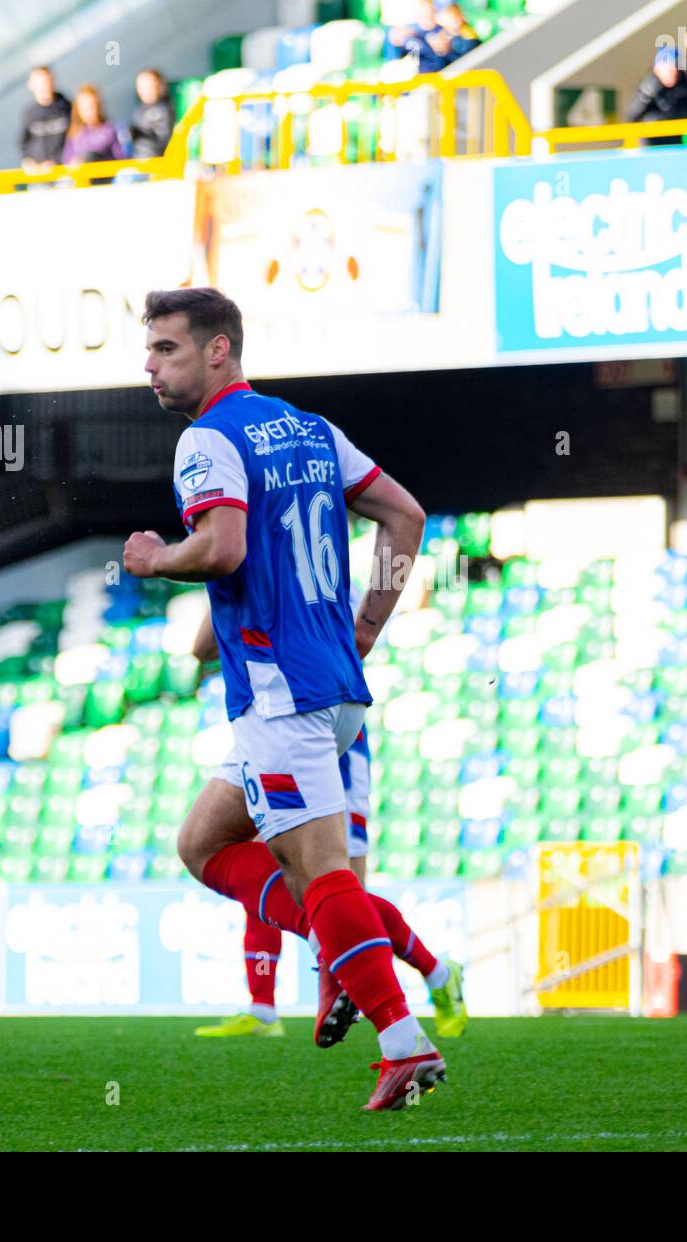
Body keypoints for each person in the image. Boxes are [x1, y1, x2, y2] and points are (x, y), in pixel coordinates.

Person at [124, 287, 445, 1110]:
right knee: (202, 844)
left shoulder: (207, 440)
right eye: (151, 349)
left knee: (323, 873)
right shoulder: (309, 429)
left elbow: (224, 549)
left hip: (279, 690)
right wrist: (369, 623)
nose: (151, 366)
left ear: (219, 349)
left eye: (167, 348)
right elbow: (404, 516)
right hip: (332, 684)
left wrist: (158, 559)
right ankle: (355, 953)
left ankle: (401, 1038)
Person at [190, 594, 468, 1040]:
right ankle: (266, 1005)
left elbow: (204, 646)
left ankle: (432, 978)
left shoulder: (286, 553)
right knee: (266, 863)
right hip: (275, 724)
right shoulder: (279, 548)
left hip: (323, 736)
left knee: (340, 886)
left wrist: (209, 573)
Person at [627, 47, 687, 141]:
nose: (671, 72)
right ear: (657, 69)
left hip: (680, 140)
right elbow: (632, 115)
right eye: (666, 68)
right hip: (654, 142)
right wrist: (645, 96)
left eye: (673, 67)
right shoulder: (649, 88)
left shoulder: (686, 86)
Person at [19, 66, 71, 175]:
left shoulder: (66, 108)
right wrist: (28, 160)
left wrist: (56, 162)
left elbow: (77, 139)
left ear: (53, 81)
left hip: (64, 172)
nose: (45, 86)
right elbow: (24, 142)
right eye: (40, 83)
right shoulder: (30, 113)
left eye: (47, 81)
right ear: (31, 86)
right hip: (39, 175)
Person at [62, 84, 127, 167]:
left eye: (91, 107)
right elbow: (66, 160)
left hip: (104, 176)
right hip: (81, 177)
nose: (88, 112)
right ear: (77, 110)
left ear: (98, 106)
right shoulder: (74, 133)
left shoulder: (109, 129)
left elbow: (120, 158)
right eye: (84, 108)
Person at [129, 68, 176, 160]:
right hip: (140, 159)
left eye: (149, 87)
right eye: (142, 87)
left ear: (160, 87)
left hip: (156, 161)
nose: (146, 92)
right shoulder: (140, 110)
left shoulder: (164, 110)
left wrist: (141, 133)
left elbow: (163, 139)